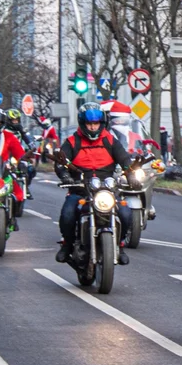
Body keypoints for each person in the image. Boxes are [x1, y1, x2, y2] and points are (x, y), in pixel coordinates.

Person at [54, 102, 133, 265]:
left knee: (125, 213)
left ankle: (120, 245)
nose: (92, 127)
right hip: (80, 188)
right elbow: (61, 162)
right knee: (67, 214)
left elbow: (124, 158)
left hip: (107, 189)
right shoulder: (72, 141)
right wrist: (65, 176)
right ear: (83, 123)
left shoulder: (110, 140)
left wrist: (130, 173)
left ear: (101, 123)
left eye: (95, 123)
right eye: (89, 123)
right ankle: (67, 245)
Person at [4, 108, 36, 198]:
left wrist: (32, 148)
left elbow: (29, 140)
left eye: (17, 120)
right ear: (7, 120)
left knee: (30, 169)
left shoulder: (21, 130)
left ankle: (26, 187)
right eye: (13, 120)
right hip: (6, 154)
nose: (15, 122)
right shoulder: (2, 131)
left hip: (18, 154)